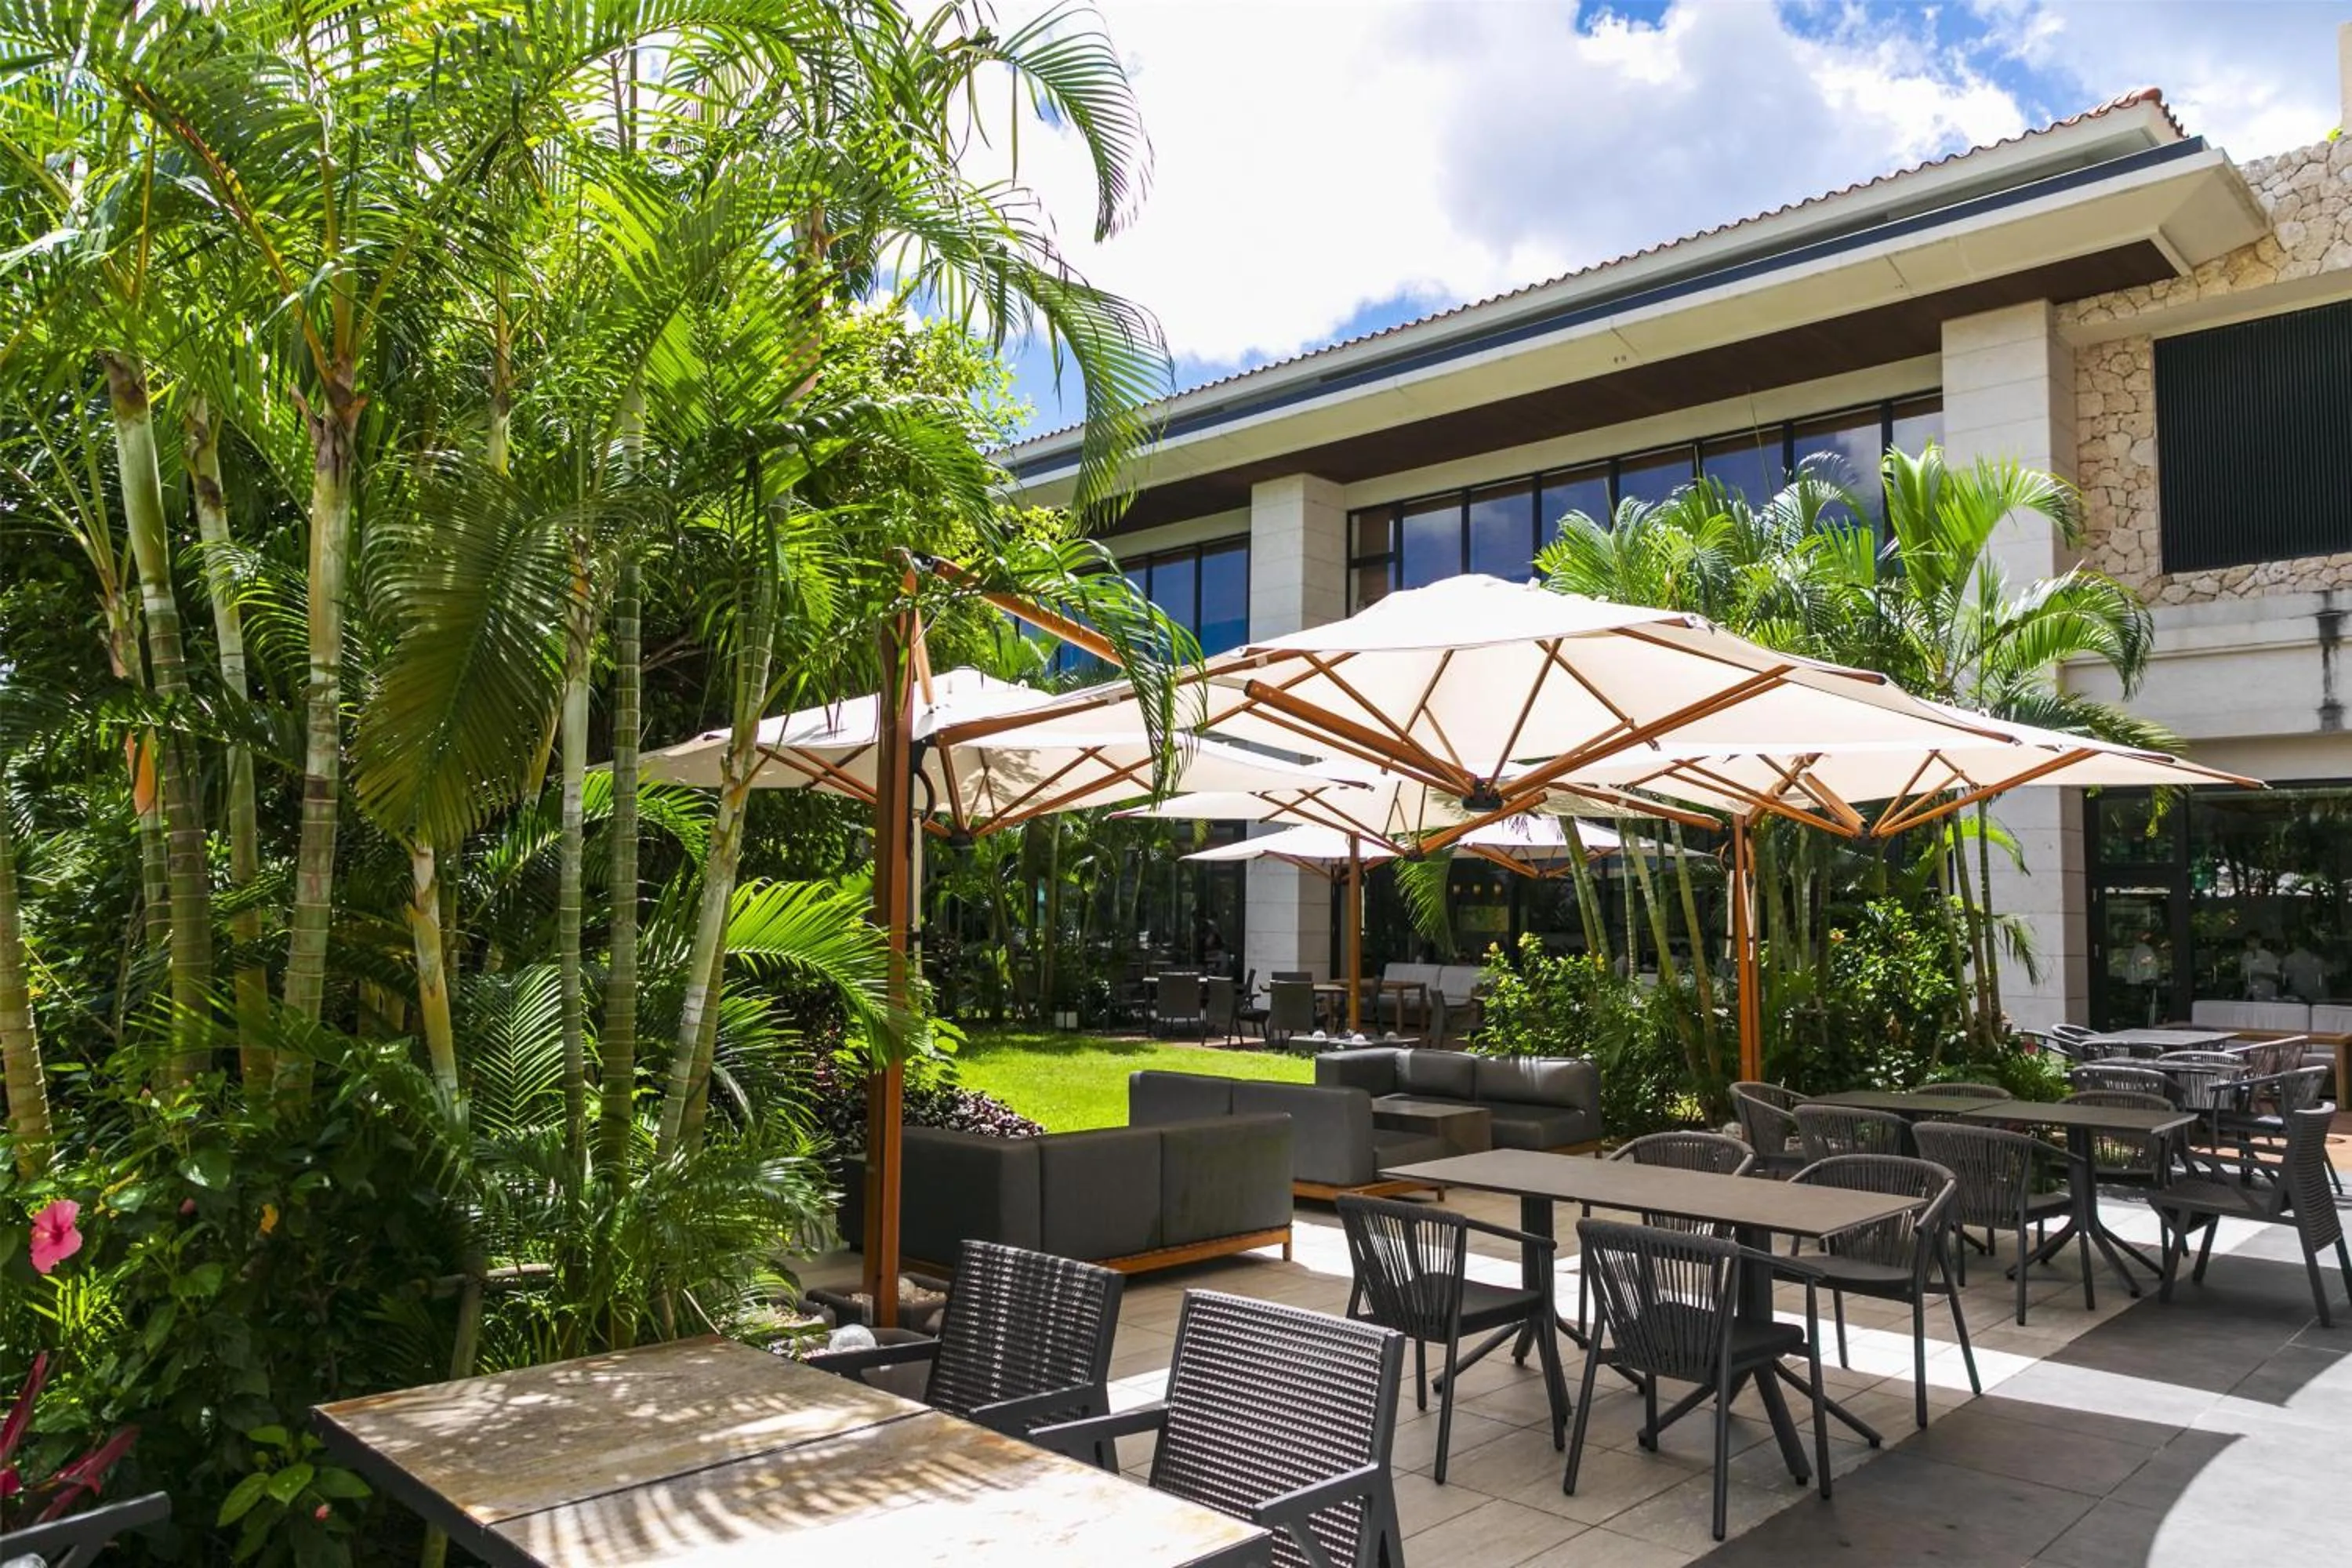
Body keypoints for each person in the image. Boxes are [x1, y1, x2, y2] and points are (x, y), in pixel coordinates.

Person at [2285, 934, 2328, 1004]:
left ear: (2294, 943)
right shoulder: (2319, 961)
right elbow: (2322, 983)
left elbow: (2286, 979)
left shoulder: (2289, 959)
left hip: (2297, 998)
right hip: (2317, 998)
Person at [2241, 933, 2281, 1000]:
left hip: (2266, 992)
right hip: (2250, 992)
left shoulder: (2268, 956)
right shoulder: (2245, 956)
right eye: (2247, 941)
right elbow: (2243, 975)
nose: (2248, 943)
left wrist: (2259, 974)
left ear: (2259, 941)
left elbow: (2276, 976)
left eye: (2251, 940)